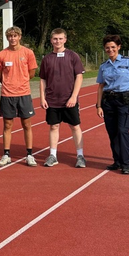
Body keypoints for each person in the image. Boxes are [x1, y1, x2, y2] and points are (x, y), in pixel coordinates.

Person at [39, 28, 86, 168]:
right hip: (52, 99)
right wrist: (42, 97)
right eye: (55, 39)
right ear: (51, 40)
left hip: (69, 99)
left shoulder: (73, 56)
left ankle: (80, 156)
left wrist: (74, 96)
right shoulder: (46, 59)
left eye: (60, 38)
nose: (57, 41)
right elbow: (42, 79)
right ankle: (53, 155)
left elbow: (79, 76)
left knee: (75, 126)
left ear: (65, 39)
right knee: (54, 126)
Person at [96, 35, 129, 175]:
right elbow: (101, 86)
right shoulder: (104, 66)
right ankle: (117, 161)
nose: (110, 50)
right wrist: (98, 106)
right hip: (108, 102)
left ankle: (126, 163)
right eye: (107, 48)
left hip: (124, 101)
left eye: (113, 47)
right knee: (112, 132)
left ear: (119, 47)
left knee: (122, 131)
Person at [0, 27, 38, 167]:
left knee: (26, 124)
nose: (12, 38)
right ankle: (6, 154)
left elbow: (31, 73)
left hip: (24, 94)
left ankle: (29, 154)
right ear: (7, 38)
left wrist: (21, 82)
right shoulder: (1, 54)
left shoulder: (28, 53)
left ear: (20, 36)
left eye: (15, 36)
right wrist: (9, 83)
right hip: (7, 94)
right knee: (7, 125)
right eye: (10, 36)